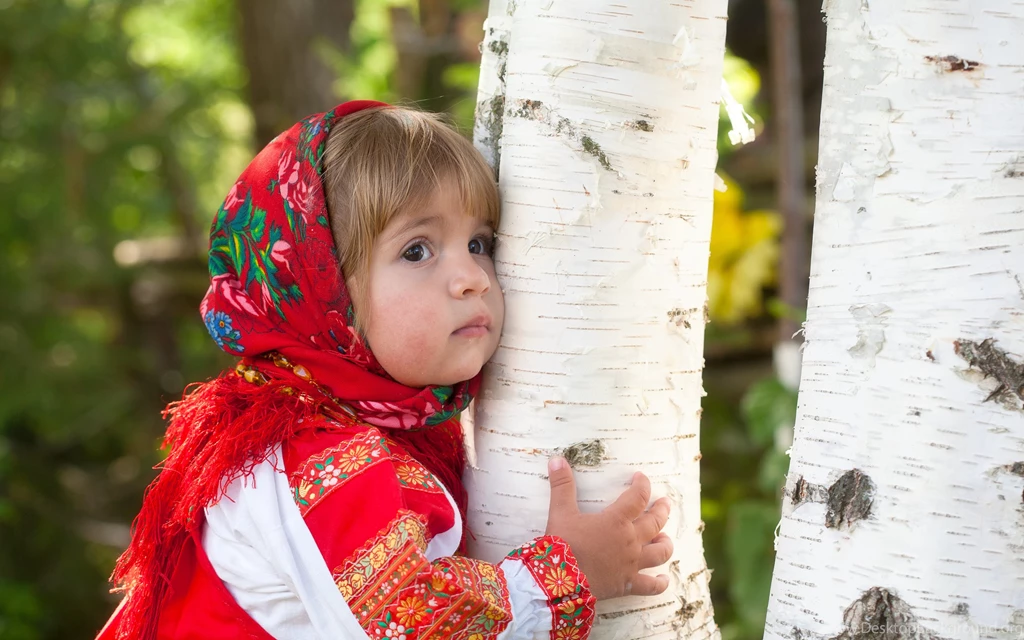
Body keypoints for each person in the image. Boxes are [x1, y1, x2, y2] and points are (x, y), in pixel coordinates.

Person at [97, 100, 674, 640]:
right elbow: (404, 619)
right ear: (321, 294)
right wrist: (568, 576)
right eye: (418, 250)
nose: (472, 276)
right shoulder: (306, 454)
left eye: (479, 242)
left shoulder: (384, 427)